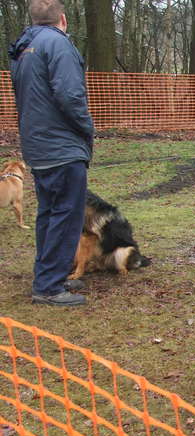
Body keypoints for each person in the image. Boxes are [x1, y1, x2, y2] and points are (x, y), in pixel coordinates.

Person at [9, 0, 94, 307]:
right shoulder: (58, 45)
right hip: (61, 145)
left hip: (38, 145)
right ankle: (48, 287)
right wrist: (86, 129)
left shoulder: (23, 48)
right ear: (63, 19)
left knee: (49, 213)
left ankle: (48, 276)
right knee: (66, 215)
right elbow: (70, 95)